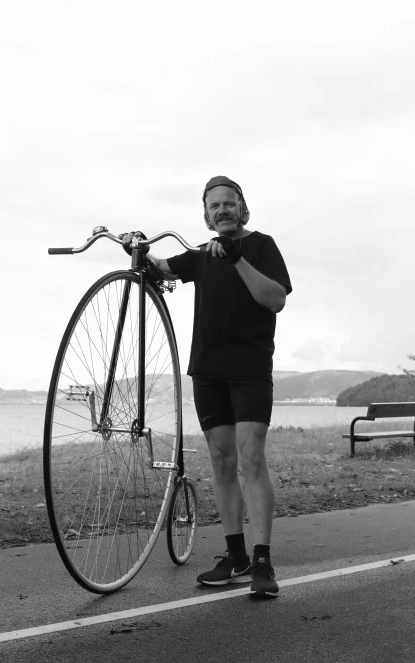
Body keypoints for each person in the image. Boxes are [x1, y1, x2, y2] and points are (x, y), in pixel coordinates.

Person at [121, 175, 292, 598]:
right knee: (220, 459)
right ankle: (235, 555)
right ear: (205, 215)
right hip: (208, 372)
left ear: (243, 208)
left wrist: (236, 258)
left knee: (251, 458)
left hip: (250, 370)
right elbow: (160, 268)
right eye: (214, 205)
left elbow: (275, 299)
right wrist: (136, 249)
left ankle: (263, 561)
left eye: (229, 202)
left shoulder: (261, 246)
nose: (222, 209)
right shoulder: (200, 255)